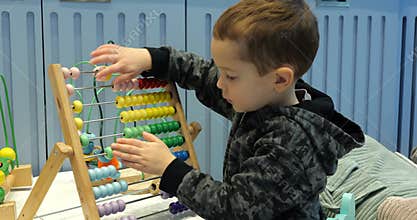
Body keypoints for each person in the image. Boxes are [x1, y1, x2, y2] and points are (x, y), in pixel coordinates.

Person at [89, 0, 364, 219]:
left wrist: (169, 168)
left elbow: (233, 208)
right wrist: (150, 59)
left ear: (280, 79)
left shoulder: (290, 144)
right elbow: (203, 74)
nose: (220, 83)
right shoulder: (263, 96)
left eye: (230, 76)